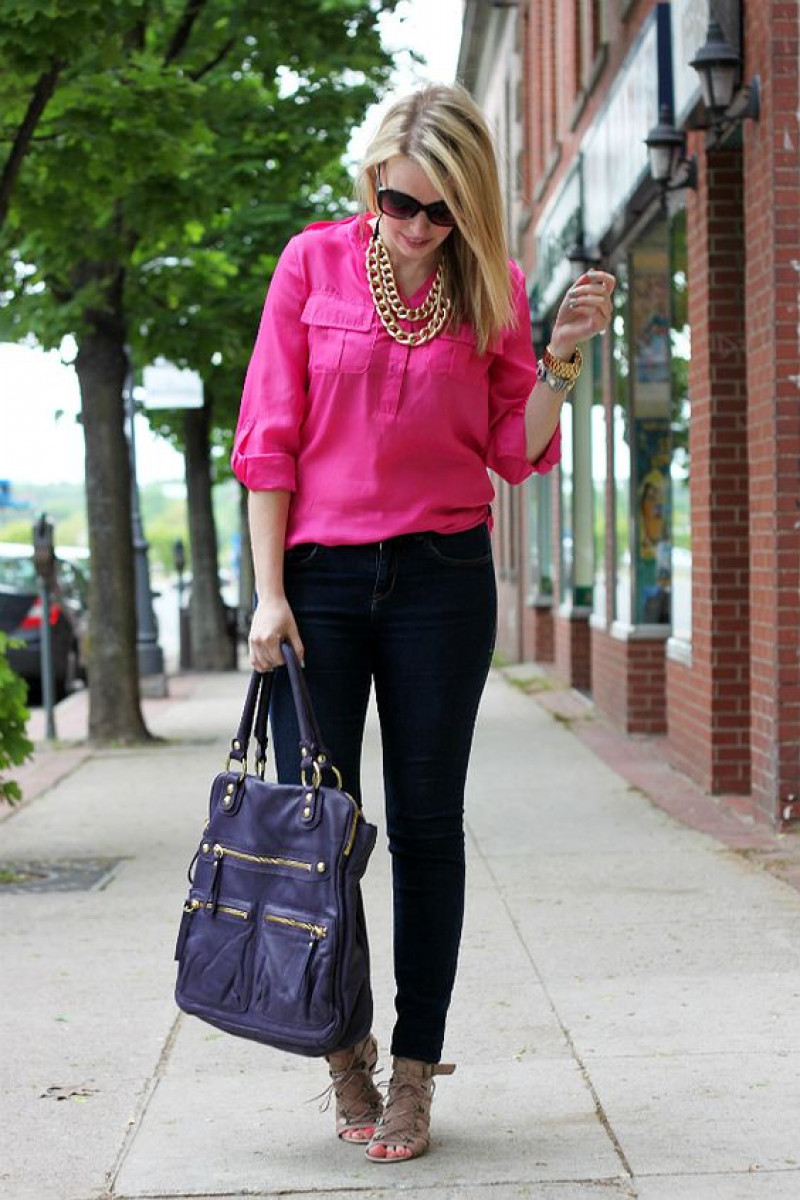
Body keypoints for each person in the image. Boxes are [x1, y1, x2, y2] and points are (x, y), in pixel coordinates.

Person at [231, 82, 613, 1163]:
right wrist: (267, 597)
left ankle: (412, 1072)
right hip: (320, 582)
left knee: (429, 829)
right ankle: (340, 1050)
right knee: (322, 836)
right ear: (372, 185)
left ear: (469, 210)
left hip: (444, 580)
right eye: (399, 203)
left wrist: (564, 357)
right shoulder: (310, 263)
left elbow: (513, 446)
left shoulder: (491, 286)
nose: (415, 228)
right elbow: (269, 438)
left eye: (440, 212)